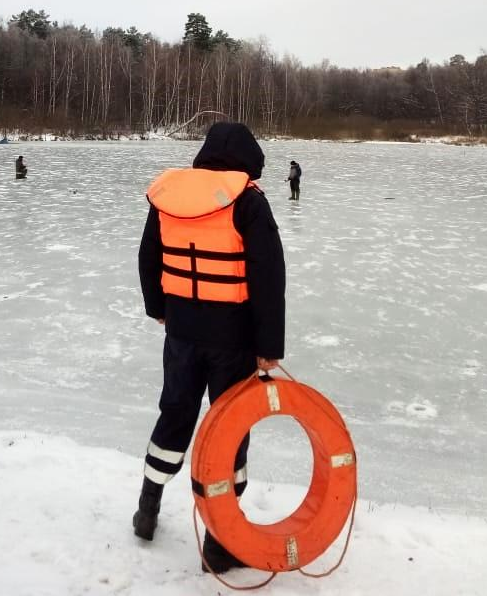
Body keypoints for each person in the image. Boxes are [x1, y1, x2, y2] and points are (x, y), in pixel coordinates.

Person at [133, 122, 285, 574]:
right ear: (249, 159)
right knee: (228, 431)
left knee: (175, 415)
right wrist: (268, 346)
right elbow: (268, 278)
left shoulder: (170, 197)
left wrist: (158, 308)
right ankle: (221, 541)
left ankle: (148, 506)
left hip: (181, 332)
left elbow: (148, 257)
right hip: (232, 341)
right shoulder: (249, 202)